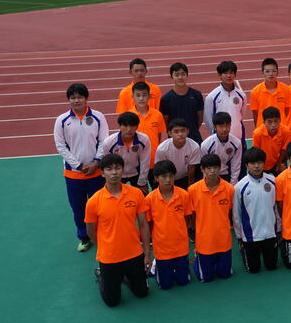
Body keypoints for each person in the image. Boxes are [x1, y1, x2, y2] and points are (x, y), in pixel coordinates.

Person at [85, 154, 151, 307]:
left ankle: (123, 277)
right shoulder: (94, 201)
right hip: (109, 257)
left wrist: (147, 254)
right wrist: (104, 247)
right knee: (112, 301)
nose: (114, 172)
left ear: (123, 170)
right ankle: (101, 275)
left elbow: (143, 224)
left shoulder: (136, 194)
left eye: (117, 168)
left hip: (134, 253)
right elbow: (90, 231)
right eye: (109, 169)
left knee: (142, 292)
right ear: (102, 173)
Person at [54, 83, 109, 252]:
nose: (76, 101)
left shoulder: (98, 117)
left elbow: (104, 141)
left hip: (96, 172)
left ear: (86, 98)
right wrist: (78, 165)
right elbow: (60, 146)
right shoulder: (62, 120)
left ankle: (101, 234)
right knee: (78, 208)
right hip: (73, 175)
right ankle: (84, 237)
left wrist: (96, 162)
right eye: (73, 98)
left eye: (79, 97)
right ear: (69, 100)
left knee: (99, 206)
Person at [145, 160, 193, 290]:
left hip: (181, 246)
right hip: (162, 249)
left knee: (183, 282)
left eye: (171, 176)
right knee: (165, 285)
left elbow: (187, 219)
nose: (168, 180)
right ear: (156, 178)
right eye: (163, 176)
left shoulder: (184, 195)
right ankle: (156, 267)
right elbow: (149, 223)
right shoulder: (149, 199)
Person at [188, 153, 235, 282]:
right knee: (206, 278)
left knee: (225, 275)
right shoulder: (193, 190)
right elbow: (191, 215)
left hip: (223, 241)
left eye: (215, 167)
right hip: (204, 242)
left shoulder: (229, 189)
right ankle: (197, 260)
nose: (212, 171)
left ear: (220, 168)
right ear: (202, 170)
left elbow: (230, 212)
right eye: (208, 168)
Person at [233, 147, 280, 273]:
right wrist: (239, 235)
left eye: (259, 162)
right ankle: (244, 250)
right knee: (254, 269)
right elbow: (236, 213)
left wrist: (279, 228)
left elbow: (277, 207)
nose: (256, 166)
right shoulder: (239, 187)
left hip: (270, 233)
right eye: (253, 163)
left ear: (264, 163)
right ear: (246, 165)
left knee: (272, 266)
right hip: (250, 236)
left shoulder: (273, 181)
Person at [97, 111, 151, 192]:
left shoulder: (144, 140)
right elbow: (107, 164)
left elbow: (145, 162)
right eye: (125, 125)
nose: (129, 129)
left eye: (132, 126)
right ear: (119, 126)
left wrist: (142, 183)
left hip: (136, 173)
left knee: (142, 196)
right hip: (117, 174)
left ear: (137, 126)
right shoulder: (109, 142)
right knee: (115, 197)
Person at [159, 62, 203, 144]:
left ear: (187, 75)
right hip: (175, 139)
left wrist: (192, 129)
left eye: (183, 74)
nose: (180, 77)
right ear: (171, 76)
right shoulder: (166, 99)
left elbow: (200, 118)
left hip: (194, 137)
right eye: (176, 75)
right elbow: (166, 122)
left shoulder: (196, 95)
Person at [130, 81, 166, 180]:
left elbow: (159, 136)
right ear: (132, 97)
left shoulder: (157, 115)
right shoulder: (129, 116)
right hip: (136, 162)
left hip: (153, 161)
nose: (141, 98)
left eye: (144, 95)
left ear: (149, 96)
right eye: (138, 95)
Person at [204, 60, 246, 142]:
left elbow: (241, 115)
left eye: (231, 73)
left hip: (238, 136)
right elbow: (208, 119)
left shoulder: (241, 95)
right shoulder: (212, 97)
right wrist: (215, 133)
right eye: (225, 73)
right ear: (219, 75)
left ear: (235, 75)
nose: (229, 76)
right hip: (219, 139)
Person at [155, 118, 201, 189]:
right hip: (168, 178)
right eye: (176, 131)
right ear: (169, 133)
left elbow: (191, 167)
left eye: (183, 131)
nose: (180, 134)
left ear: (187, 131)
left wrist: (190, 183)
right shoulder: (162, 149)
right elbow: (161, 169)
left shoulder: (194, 146)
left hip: (184, 177)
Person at [200, 112, 243, 183]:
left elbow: (236, 166)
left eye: (227, 126)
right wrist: (206, 183)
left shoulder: (237, 143)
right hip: (211, 176)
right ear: (215, 127)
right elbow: (205, 167)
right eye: (221, 126)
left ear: (230, 125)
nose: (224, 129)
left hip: (227, 175)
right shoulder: (206, 145)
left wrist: (233, 184)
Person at [249, 58, 291, 127]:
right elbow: (255, 113)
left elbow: (286, 110)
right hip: (263, 128)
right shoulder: (255, 91)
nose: (271, 74)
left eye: (273, 71)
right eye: (267, 71)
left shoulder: (286, 89)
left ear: (277, 72)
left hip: (281, 128)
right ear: (262, 72)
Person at [252, 106, 290, 175]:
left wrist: (279, 164)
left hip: (278, 161)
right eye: (269, 122)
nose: (273, 125)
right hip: (262, 162)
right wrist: (259, 166)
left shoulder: (286, 131)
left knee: (283, 178)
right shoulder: (257, 133)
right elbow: (256, 152)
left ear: (280, 120)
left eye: (276, 121)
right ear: (264, 122)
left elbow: (284, 150)